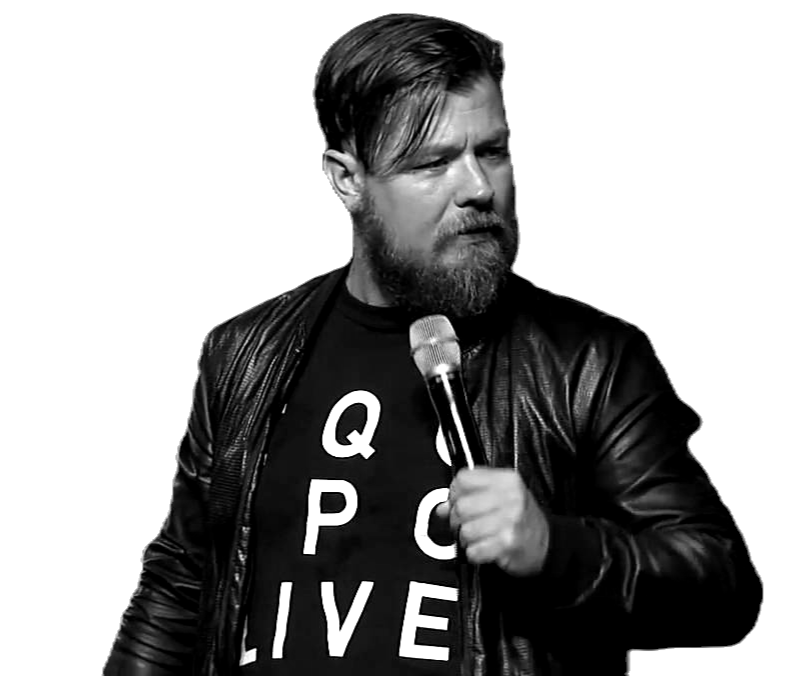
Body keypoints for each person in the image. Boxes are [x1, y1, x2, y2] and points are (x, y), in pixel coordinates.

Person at [103, 13, 762, 675]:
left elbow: (720, 587)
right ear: (347, 179)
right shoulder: (245, 353)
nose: (478, 188)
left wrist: (555, 549)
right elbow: (179, 586)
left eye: (492, 152)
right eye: (433, 163)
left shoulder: (588, 360)